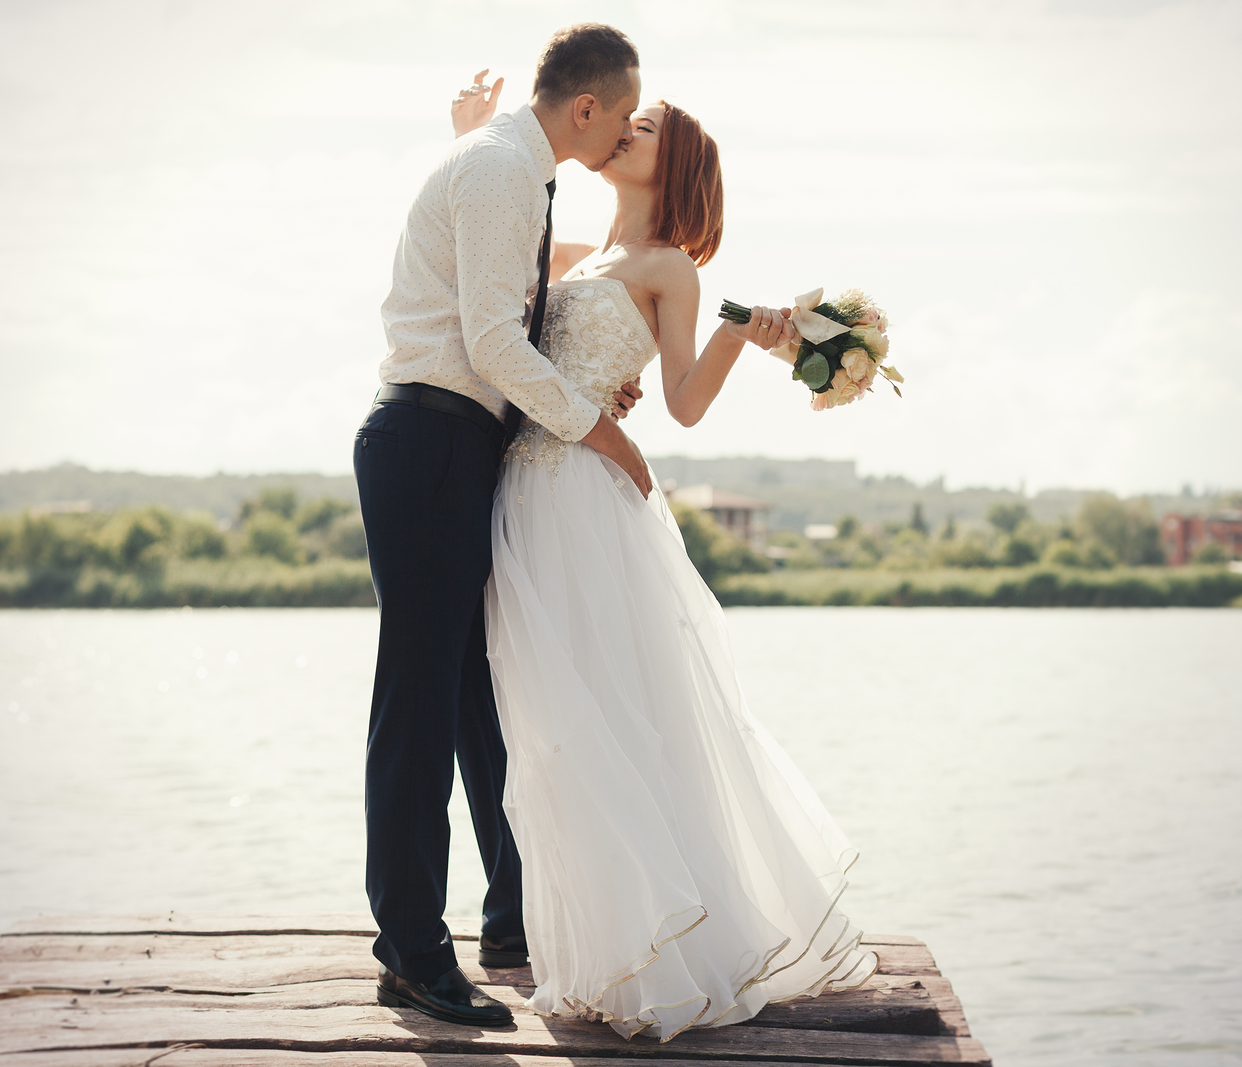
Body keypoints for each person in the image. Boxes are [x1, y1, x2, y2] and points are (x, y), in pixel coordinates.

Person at [453, 79, 880, 1040]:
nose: (620, 128)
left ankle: (670, 949)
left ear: (673, 160)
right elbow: (497, 278)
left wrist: (736, 330)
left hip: (589, 506)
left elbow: (681, 402)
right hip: (522, 491)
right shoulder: (578, 249)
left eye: (643, 126)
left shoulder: (670, 267)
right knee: (549, 725)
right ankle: (593, 947)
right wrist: (476, 139)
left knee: (605, 713)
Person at [355, 23, 653, 1028]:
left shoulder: (513, 169)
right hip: (431, 441)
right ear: (585, 109)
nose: (622, 134)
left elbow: (528, 298)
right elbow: (488, 338)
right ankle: (410, 950)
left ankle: (502, 918)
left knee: (470, 695)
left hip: (453, 448)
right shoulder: (497, 173)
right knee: (423, 703)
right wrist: (600, 432)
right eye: (619, 116)